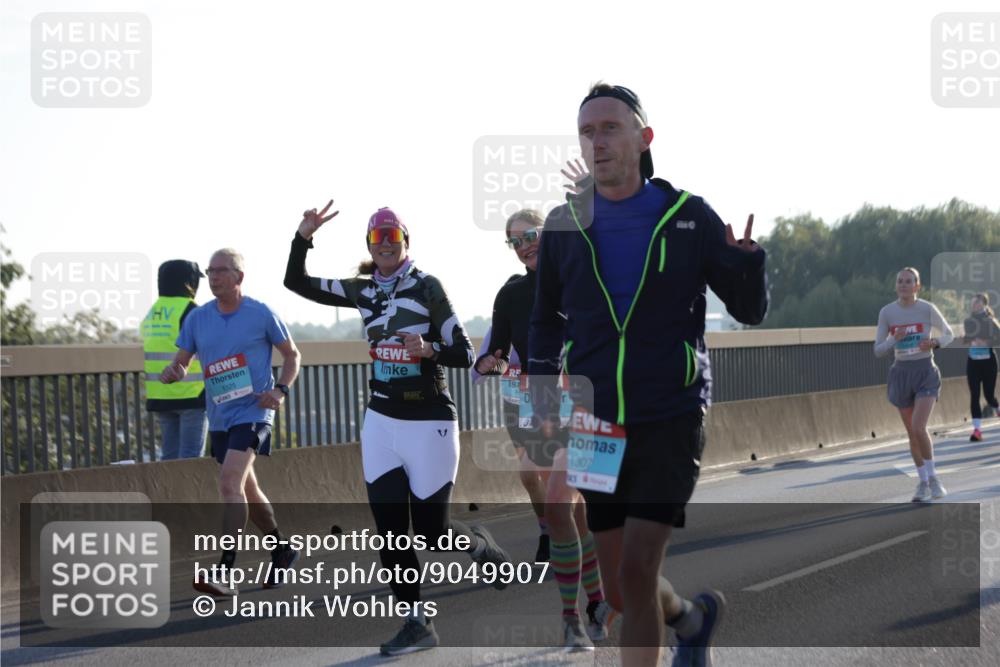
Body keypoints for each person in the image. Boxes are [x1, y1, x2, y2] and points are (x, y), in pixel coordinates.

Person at [528, 83, 768, 667]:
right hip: (594, 421)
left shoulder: (688, 217)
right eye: (587, 131)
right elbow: (544, 321)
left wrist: (748, 263)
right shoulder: (565, 226)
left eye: (610, 127)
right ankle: (689, 617)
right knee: (617, 590)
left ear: (644, 138)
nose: (597, 141)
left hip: (670, 413)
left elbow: (750, 311)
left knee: (637, 569)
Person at [284, 202, 512, 656]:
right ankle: (416, 622)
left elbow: (465, 354)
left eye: (393, 236)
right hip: (381, 421)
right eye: (378, 238)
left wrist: (428, 349)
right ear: (370, 245)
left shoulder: (427, 287)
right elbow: (297, 282)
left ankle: (479, 545)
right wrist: (303, 236)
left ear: (406, 242)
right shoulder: (363, 291)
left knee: (431, 533)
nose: (386, 244)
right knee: (390, 529)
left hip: (429, 420)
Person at [475, 209, 612, 651]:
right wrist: (489, 362)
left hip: (588, 399)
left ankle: (587, 607)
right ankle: (584, 610)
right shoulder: (510, 294)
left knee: (572, 506)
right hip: (538, 402)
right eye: (515, 241)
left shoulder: (582, 276)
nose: (525, 244)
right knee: (565, 511)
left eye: (531, 234)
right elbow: (496, 349)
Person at [160, 248, 301, 595]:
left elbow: (292, 355)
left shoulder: (260, 313)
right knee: (247, 491)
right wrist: (174, 371)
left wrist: (280, 390)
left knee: (228, 483)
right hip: (220, 416)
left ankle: (224, 572)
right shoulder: (197, 319)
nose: (214, 277)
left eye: (221, 271)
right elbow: (183, 360)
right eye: (210, 272)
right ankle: (282, 549)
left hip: (254, 411)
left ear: (239, 276)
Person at [874, 267, 955, 501]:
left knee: (919, 426)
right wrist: (893, 340)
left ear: (917, 286)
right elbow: (878, 350)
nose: (903, 285)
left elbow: (949, 334)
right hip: (901, 373)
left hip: (925, 371)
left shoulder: (927, 309)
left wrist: (935, 342)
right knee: (912, 433)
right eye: (900, 281)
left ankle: (934, 479)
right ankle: (922, 482)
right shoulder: (887, 313)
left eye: (909, 281)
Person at [141, 260, 209, 459]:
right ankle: (187, 492)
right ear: (190, 282)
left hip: (161, 394)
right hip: (191, 393)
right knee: (190, 459)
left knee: (169, 457)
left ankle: (168, 491)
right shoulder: (191, 310)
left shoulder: (154, 311)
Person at [962, 292, 1000, 441]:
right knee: (975, 395)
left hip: (988, 362)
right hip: (973, 361)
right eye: (972, 303)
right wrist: (968, 340)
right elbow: (968, 337)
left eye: (977, 303)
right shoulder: (968, 321)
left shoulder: (991, 321)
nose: (974, 305)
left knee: (989, 396)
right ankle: (977, 430)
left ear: (984, 304)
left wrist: (986, 342)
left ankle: (997, 408)